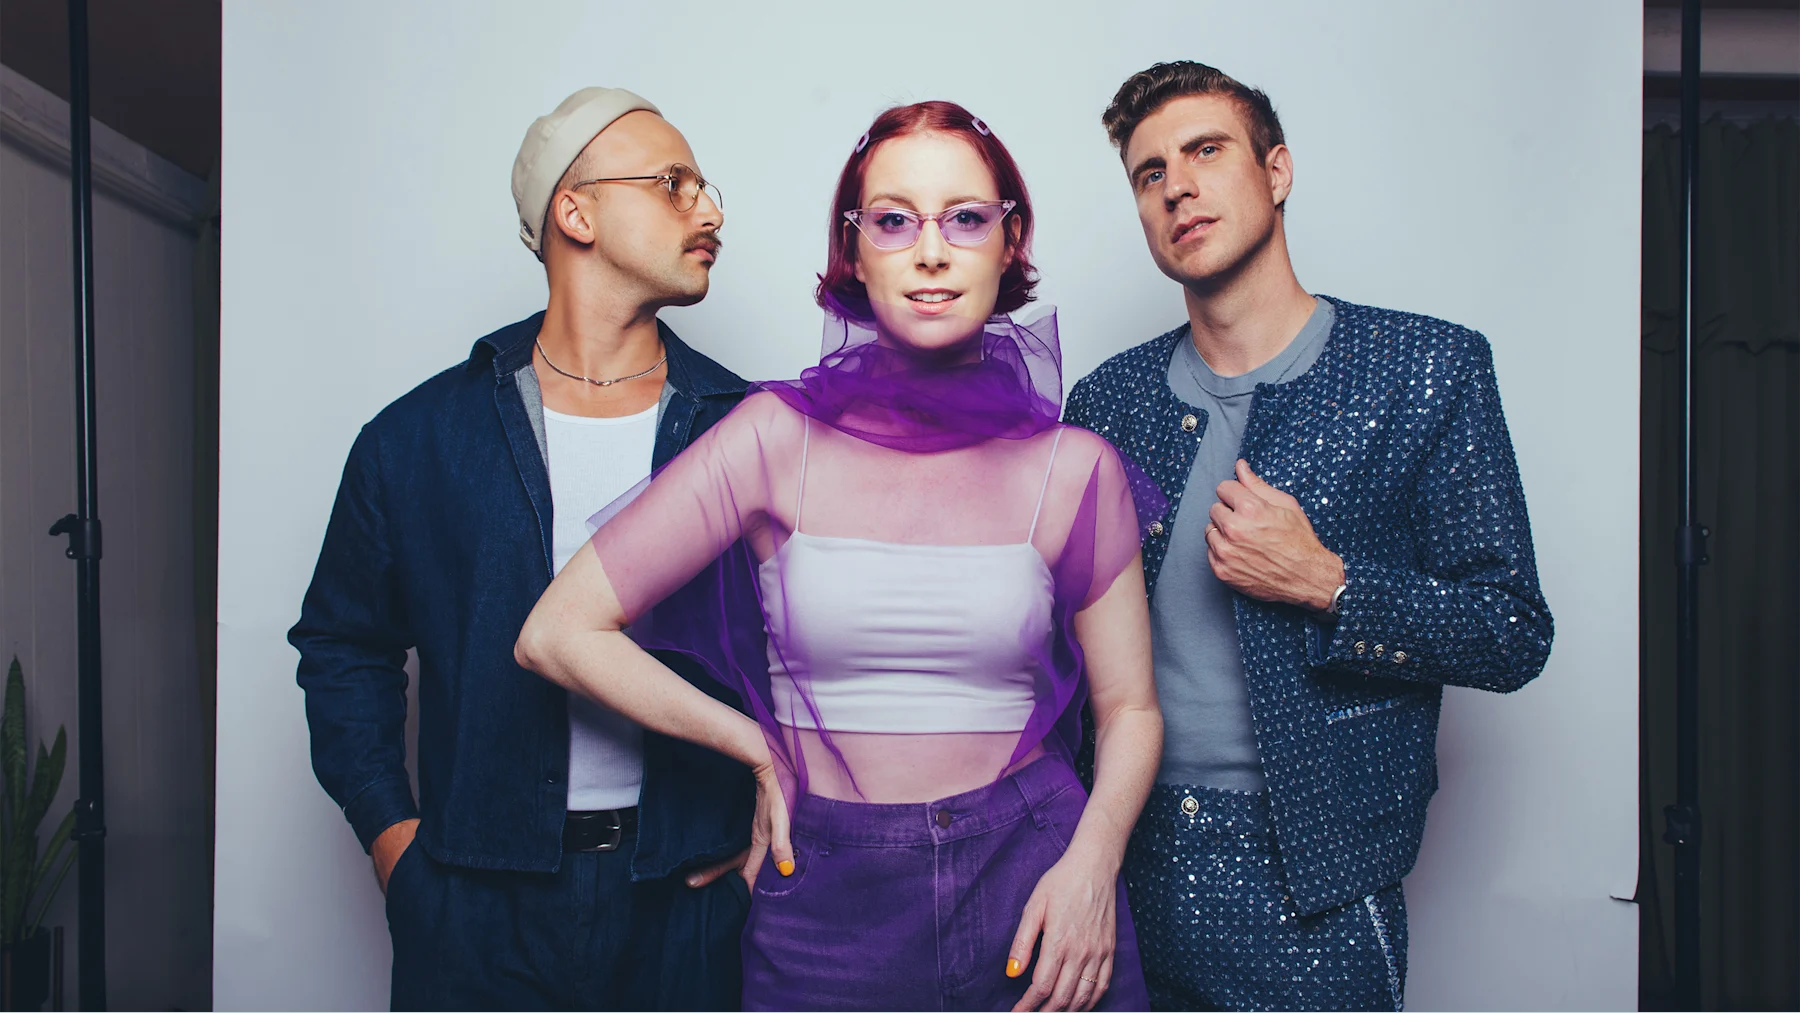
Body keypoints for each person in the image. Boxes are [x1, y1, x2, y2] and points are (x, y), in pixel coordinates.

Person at [516, 101, 1162, 1012]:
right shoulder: (773, 438)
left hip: (1037, 885)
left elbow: (1131, 708)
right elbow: (558, 631)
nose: (931, 251)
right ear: (854, 251)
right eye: (894, 221)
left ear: (1009, 243)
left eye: (966, 218)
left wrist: (1093, 865)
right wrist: (752, 745)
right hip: (827, 898)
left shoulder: (1077, 468)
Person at [1062, 62, 1555, 1011]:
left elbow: (1511, 631)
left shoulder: (1424, 369)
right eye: (1150, 173)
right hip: (1128, 859)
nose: (1177, 187)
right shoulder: (1107, 401)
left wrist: (1330, 582)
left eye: (1206, 151)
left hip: (1318, 881)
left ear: (1277, 170)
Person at [290, 87, 755, 1010]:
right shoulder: (417, 438)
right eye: (674, 183)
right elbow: (343, 647)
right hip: (473, 910)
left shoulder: (744, 429)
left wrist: (755, 860)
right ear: (575, 213)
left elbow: (808, 647)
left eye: (705, 187)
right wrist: (393, 841)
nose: (710, 210)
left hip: (685, 901)